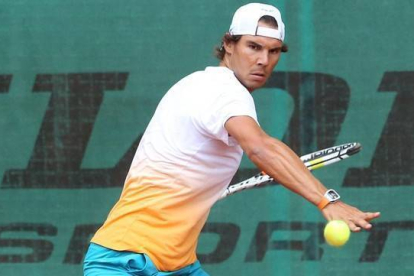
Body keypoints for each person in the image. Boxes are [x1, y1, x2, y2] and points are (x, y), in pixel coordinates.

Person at [84, 3, 380, 275]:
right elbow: (261, 148)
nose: (263, 60)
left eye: (274, 51)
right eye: (253, 46)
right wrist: (326, 200)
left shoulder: (206, 85)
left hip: (177, 265)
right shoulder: (222, 91)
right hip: (125, 262)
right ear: (228, 44)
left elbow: (266, 148)